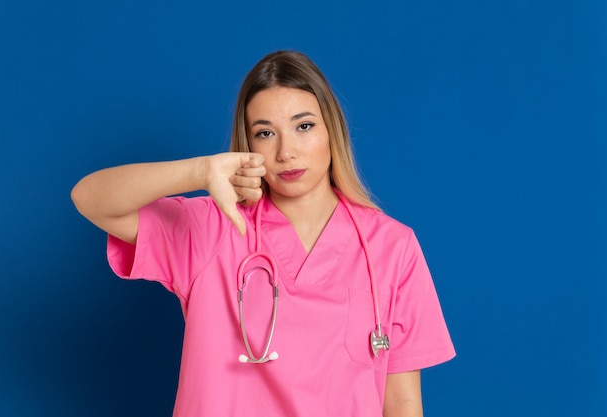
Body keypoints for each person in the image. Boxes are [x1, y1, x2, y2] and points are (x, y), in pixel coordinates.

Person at [71, 50, 455, 417]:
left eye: (303, 126)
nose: (286, 151)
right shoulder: (212, 228)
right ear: (249, 145)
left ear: (331, 130)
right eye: (265, 133)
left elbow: (402, 402)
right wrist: (201, 171)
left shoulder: (392, 247)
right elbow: (90, 198)